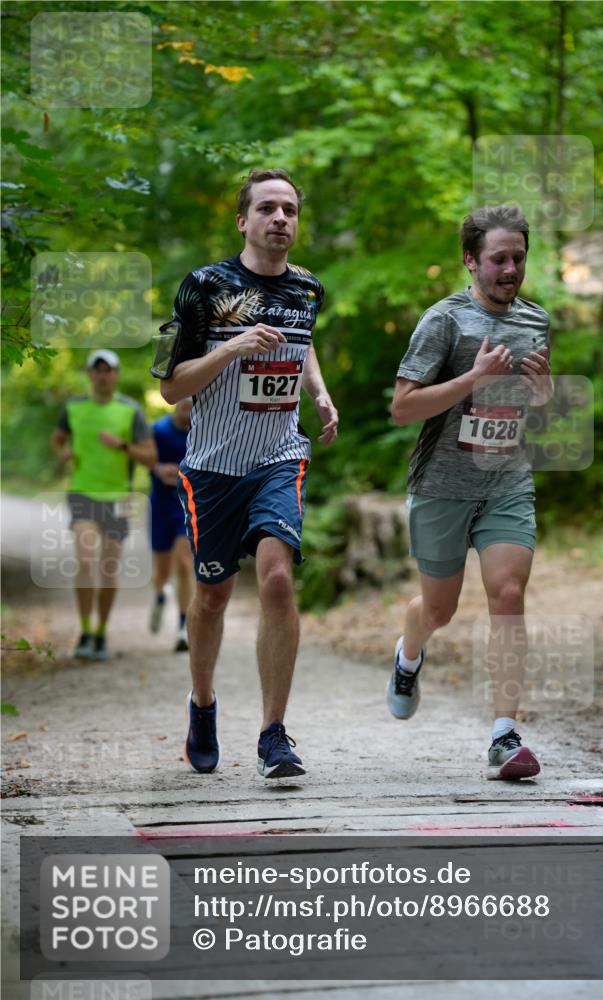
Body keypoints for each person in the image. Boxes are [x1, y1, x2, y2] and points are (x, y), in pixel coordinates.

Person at [151, 168, 338, 779]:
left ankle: (273, 735)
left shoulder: (308, 288)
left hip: (278, 456)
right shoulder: (204, 287)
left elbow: (301, 340)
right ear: (243, 220)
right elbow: (169, 387)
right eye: (267, 208)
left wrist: (319, 391)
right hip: (211, 465)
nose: (280, 218)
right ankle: (202, 705)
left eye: (289, 209)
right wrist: (230, 348)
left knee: (277, 579)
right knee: (212, 597)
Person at [387, 204, 553, 780]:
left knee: (508, 594)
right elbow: (403, 408)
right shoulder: (444, 321)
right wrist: (471, 379)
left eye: (519, 258)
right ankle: (410, 654)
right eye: (499, 259)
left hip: (507, 479)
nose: (511, 269)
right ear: (470, 261)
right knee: (440, 608)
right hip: (442, 485)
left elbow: (536, 406)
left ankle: (505, 736)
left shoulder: (536, 321)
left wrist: (544, 389)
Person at [51, 349, 156, 661]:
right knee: (85, 562)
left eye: (107, 370)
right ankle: (84, 631)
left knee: (108, 568)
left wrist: (123, 445)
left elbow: (150, 457)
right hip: (82, 493)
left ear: (116, 375)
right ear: (89, 374)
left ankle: (100, 632)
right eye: (96, 370)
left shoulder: (130, 410)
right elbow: (58, 438)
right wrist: (62, 453)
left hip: (119, 498)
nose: (102, 375)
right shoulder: (73, 408)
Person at [148, 398, 194, 652]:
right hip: (160, 506)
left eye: (192, 405)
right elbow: (146, 458)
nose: (187, 410)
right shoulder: (158, 430)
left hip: (186, 506)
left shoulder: (203, 431)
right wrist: (158, 468)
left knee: (185, 564)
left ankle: (183, 626)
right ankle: (159, 597)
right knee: (162, 572)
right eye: (183, 404)